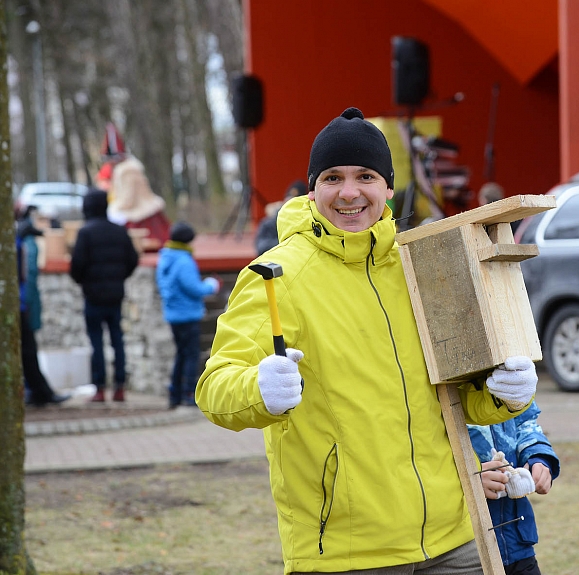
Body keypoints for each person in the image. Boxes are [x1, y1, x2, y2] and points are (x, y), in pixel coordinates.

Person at [196, 107, 539, 574]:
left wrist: (502, 396)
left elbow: (455, 395)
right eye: (333, 178)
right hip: (348, 552)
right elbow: (214, 388)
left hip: (454, 536)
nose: (349, 192)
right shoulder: (277, 277)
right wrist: (257, 389)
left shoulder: (418, 267)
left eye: (366, 176)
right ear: (313, 188)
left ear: (388, 188)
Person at [468, 401, 560, 575]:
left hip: (517, 542)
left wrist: (538, 457)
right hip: (465, 553)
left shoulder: (511, 377)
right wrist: (468, 482)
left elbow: (526, 421)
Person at [70, 188, 139, 403]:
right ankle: (120, 388)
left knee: (97, 342)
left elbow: (76, 266)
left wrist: (85, 281)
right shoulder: (119, 231)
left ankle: (99, 388)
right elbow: (132, 260)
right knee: (117, 341)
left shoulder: (85, 233)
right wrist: (119, 277)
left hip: (93, 296)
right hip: (115, 295)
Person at [156, 222, 221, 409]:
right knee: (191, 355)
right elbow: (193, 288)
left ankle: (174, 393)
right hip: (188, 315)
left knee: (180, 354)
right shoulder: (184, 260)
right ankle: (188, 393)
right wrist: (211, 285)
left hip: (173, 315)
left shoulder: (166, 257)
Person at [16, 208, 71, 406]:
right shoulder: (17, 241)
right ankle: (40, 392)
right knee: (28, 351)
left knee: (28, 351)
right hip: (19, 305)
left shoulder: (20, 239)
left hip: (22, 304)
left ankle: (40, 392)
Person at [255, 179, 308, 254]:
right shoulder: (269, 223)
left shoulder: (306, 222)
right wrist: (287, 243)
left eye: (293, 202)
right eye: (288, 201)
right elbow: (261, 247)